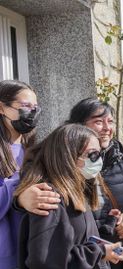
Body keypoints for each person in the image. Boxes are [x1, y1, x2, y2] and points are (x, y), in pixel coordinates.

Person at [16, 98, 123, 269]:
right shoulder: (51, 195)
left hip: (107, 253)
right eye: (98, 122)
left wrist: (115, 222)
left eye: (110, 121)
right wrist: (20, 199)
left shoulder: (118, 160)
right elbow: (47, 258)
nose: (107, 128)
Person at [16, 124, 123, 268]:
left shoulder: (75, 190)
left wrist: (108, 227)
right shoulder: (50, 199)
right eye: (93, 155)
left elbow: (78, 239)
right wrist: (99, 251)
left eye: (100, 154)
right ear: (68, 155)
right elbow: (46, 260)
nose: (98, 160)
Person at [0, 80, 43, 269]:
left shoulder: (35, 150)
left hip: (32, 248)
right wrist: (18, 192)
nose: (31, 113)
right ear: (2, 107)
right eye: (25, 106)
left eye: (35, 107)